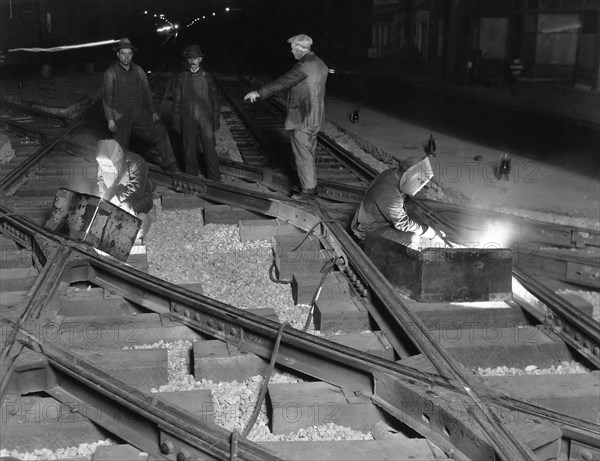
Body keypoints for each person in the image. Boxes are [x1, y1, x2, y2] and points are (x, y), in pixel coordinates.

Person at [244, 34, 328, 200]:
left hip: (303, 117)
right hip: (316, 117)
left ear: (299, 48)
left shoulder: (303, 66)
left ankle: (308, 192)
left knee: (303, 154)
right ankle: (308, 184)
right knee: (308, 152)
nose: (291, 52)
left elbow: (282, 83)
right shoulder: (320, 63)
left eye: (292, 48)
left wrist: (259, 92)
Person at [103, 37, 181, 174]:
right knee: (120, 149)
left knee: (160, 130)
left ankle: (171, 163)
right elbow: (107, 98)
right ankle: (118, 175)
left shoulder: (139, 71)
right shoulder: (111, 73)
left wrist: (153, 111)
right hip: (120, 116)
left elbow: (147, 93)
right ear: (118, 54)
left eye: (129, 53)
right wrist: (110, 118)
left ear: (132, 54)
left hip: (139, 114)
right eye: (123, 53)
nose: (126, 57)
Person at [351, 156, 447, 249]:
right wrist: (431, 233)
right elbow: (402, 224)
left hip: (380, 218)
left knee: (417, 218)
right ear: (411, 177)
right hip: (370, 229)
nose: (419, 189)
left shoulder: (392, 173)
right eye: (420, 183)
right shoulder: (389, 193)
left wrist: (428, 227)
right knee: (412, 239)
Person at [172, 44, 221, 180]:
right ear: (187, 60)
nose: (192, 61)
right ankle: (191, 179)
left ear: (200, 59)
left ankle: (215, 179)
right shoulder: (181, 78)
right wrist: (176, 121)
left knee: (210, 149)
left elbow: (215, 101)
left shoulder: (207, 77)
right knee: (188, 149)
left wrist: (215, 120)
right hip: (187, 118)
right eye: (190, 58)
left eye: (195, 58)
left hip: (205, 119)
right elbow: (176, 101)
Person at [96, 139, 154, 239]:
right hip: (115, 196)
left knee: (126, 209)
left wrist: (116, 200)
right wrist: (102, 194)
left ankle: (140, 227)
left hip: (138, 199)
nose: (107, 169)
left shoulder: (136, 162)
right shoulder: (103, 162)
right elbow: (100, 179)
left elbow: (137, 190)